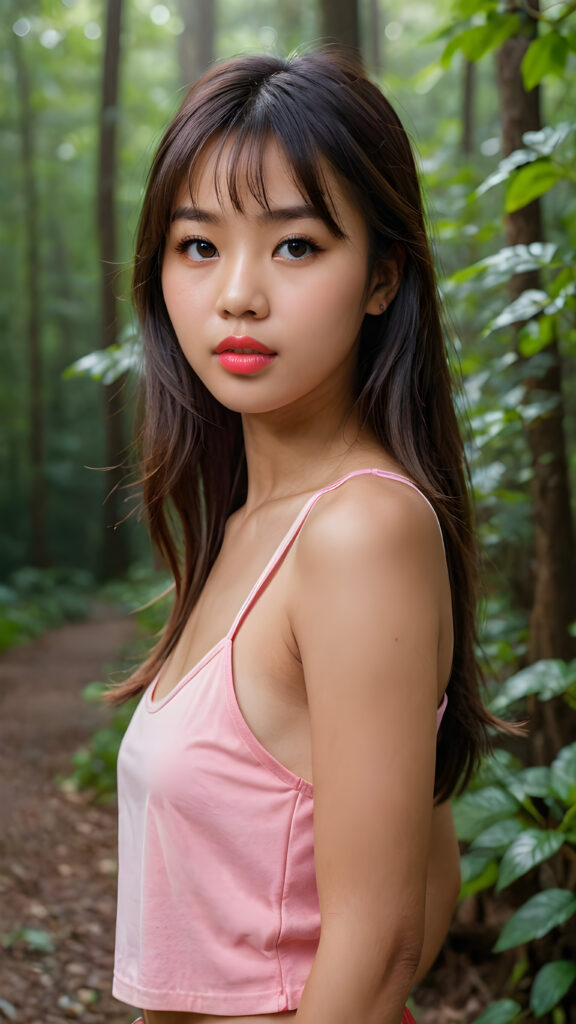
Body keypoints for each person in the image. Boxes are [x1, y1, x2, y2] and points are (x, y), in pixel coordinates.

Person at [107, 49, 501, 1024]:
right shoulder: (249, 527)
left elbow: (385, 941)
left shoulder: (362, 531)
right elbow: (432, 861)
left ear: (382, 275)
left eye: (295, 246)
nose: (238, 292)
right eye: (199, 246)